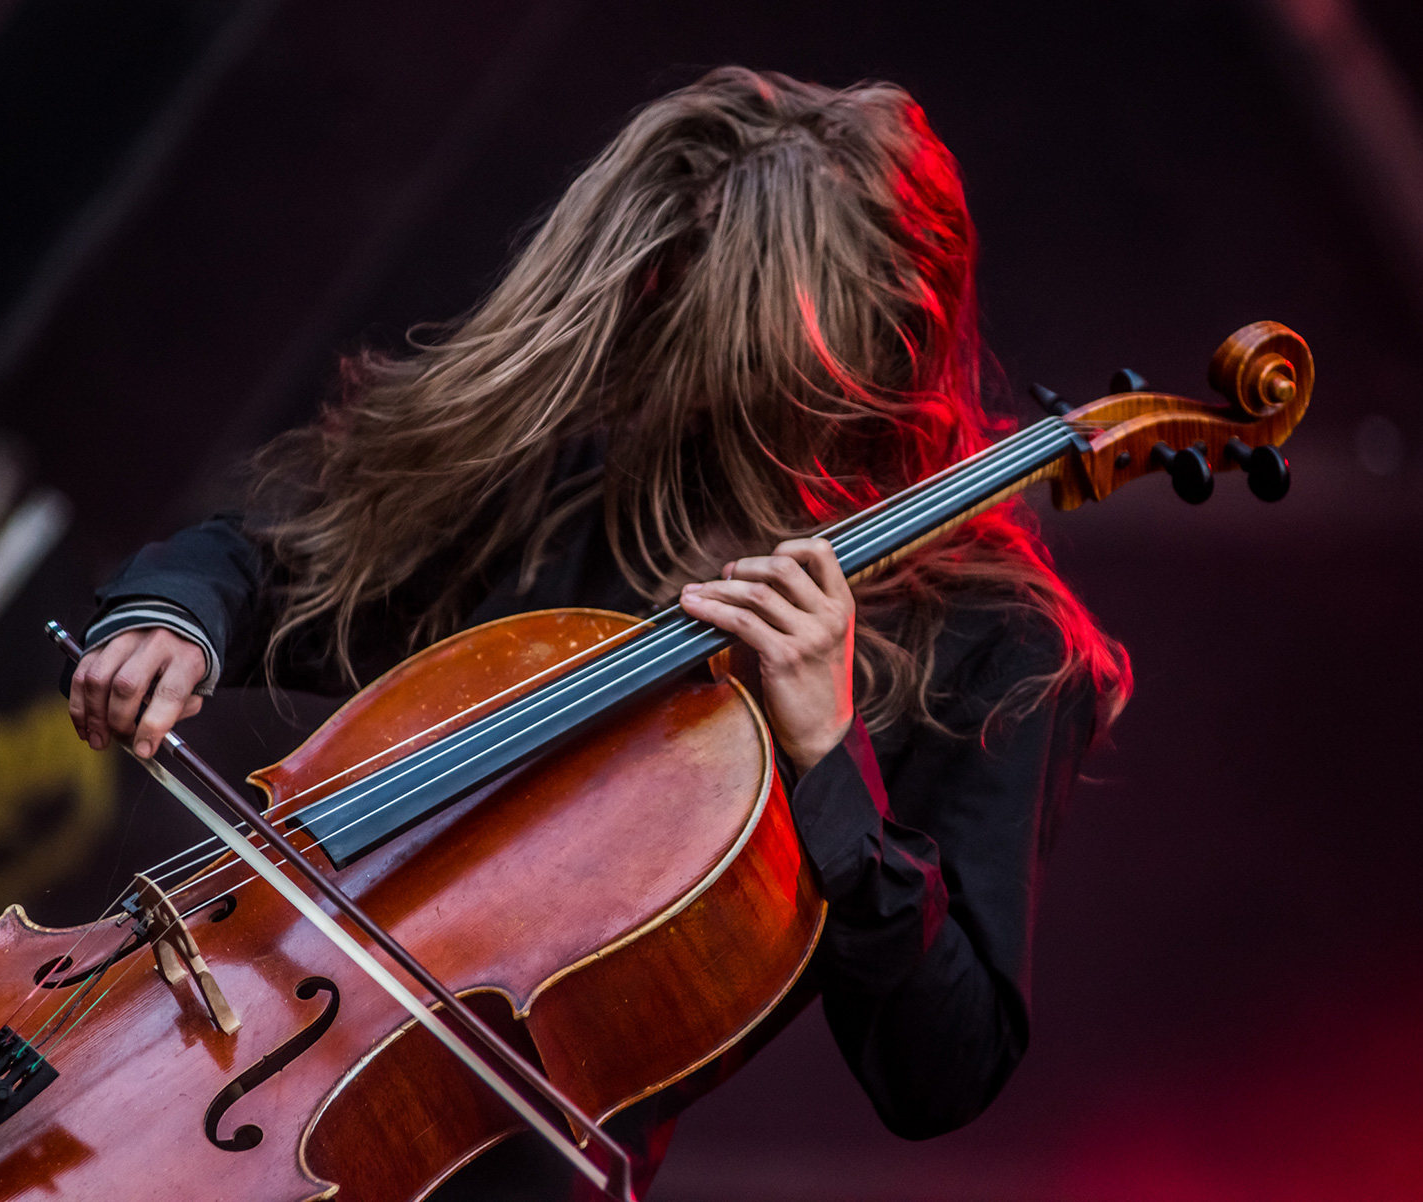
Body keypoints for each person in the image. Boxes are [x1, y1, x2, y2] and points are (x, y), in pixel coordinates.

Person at [67, 67, 1130, 1199]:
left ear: (873, 352)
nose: (672, 389)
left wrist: (831, 758)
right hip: (250, 1055)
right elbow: (285, 564)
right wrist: (174, 615)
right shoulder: (577, 490)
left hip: (483, 1165)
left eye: (729, 366)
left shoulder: (1000, 647)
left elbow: (943, 1069)